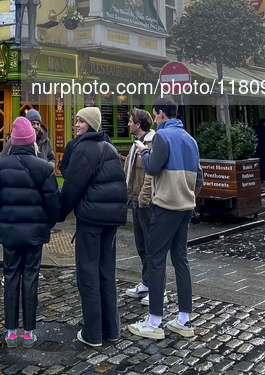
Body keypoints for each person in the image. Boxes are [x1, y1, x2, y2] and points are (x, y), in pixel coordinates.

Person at [128, 97, 202, 341]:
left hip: (166, 205)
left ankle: (155, 321)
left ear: (160, 114)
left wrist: (145, 151)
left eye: (155, 114)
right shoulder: (190, 140)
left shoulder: (162, 136)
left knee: (156, 258)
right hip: (186, 207)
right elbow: (199, 178)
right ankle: (183, 319)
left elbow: (151, 167)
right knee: (181, 259)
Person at [0, 116, 60, 347]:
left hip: (10, 232)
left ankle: (10, 331)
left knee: (10, 278)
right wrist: (45, 225)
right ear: (31, 142)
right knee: (30, 278)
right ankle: (28, 331)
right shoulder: (44, 167)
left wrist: (2, 224)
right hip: (34, 233)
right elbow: (53, 204)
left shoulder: (0, 166)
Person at [59, 106, 127, 347]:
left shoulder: (85, 148)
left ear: (91, 124)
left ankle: (93, 333)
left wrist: (58, 214)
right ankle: (112, 329)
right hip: (111, 220)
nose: (76, 124)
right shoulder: (109, 146)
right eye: (76, 120)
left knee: (87, 274)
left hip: (91, 220)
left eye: (81, 121)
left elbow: (72, 187)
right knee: (106, 273)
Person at [124, 109, 167, 306]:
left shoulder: (153, 142)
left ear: (138, 124)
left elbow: (151, 174)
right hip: (135, 200)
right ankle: (147, 283)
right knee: (141, 246)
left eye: (130, 121)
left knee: (153, 247)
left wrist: (143, 198)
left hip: (147, 203)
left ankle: (160, 290)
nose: (128, 124)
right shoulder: (135, 145)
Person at [255, 118, 265, 183]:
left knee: (259, 164)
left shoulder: (256, 129)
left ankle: (260, 177)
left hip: (257, 149)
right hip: (264, 149)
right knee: (264, 164)